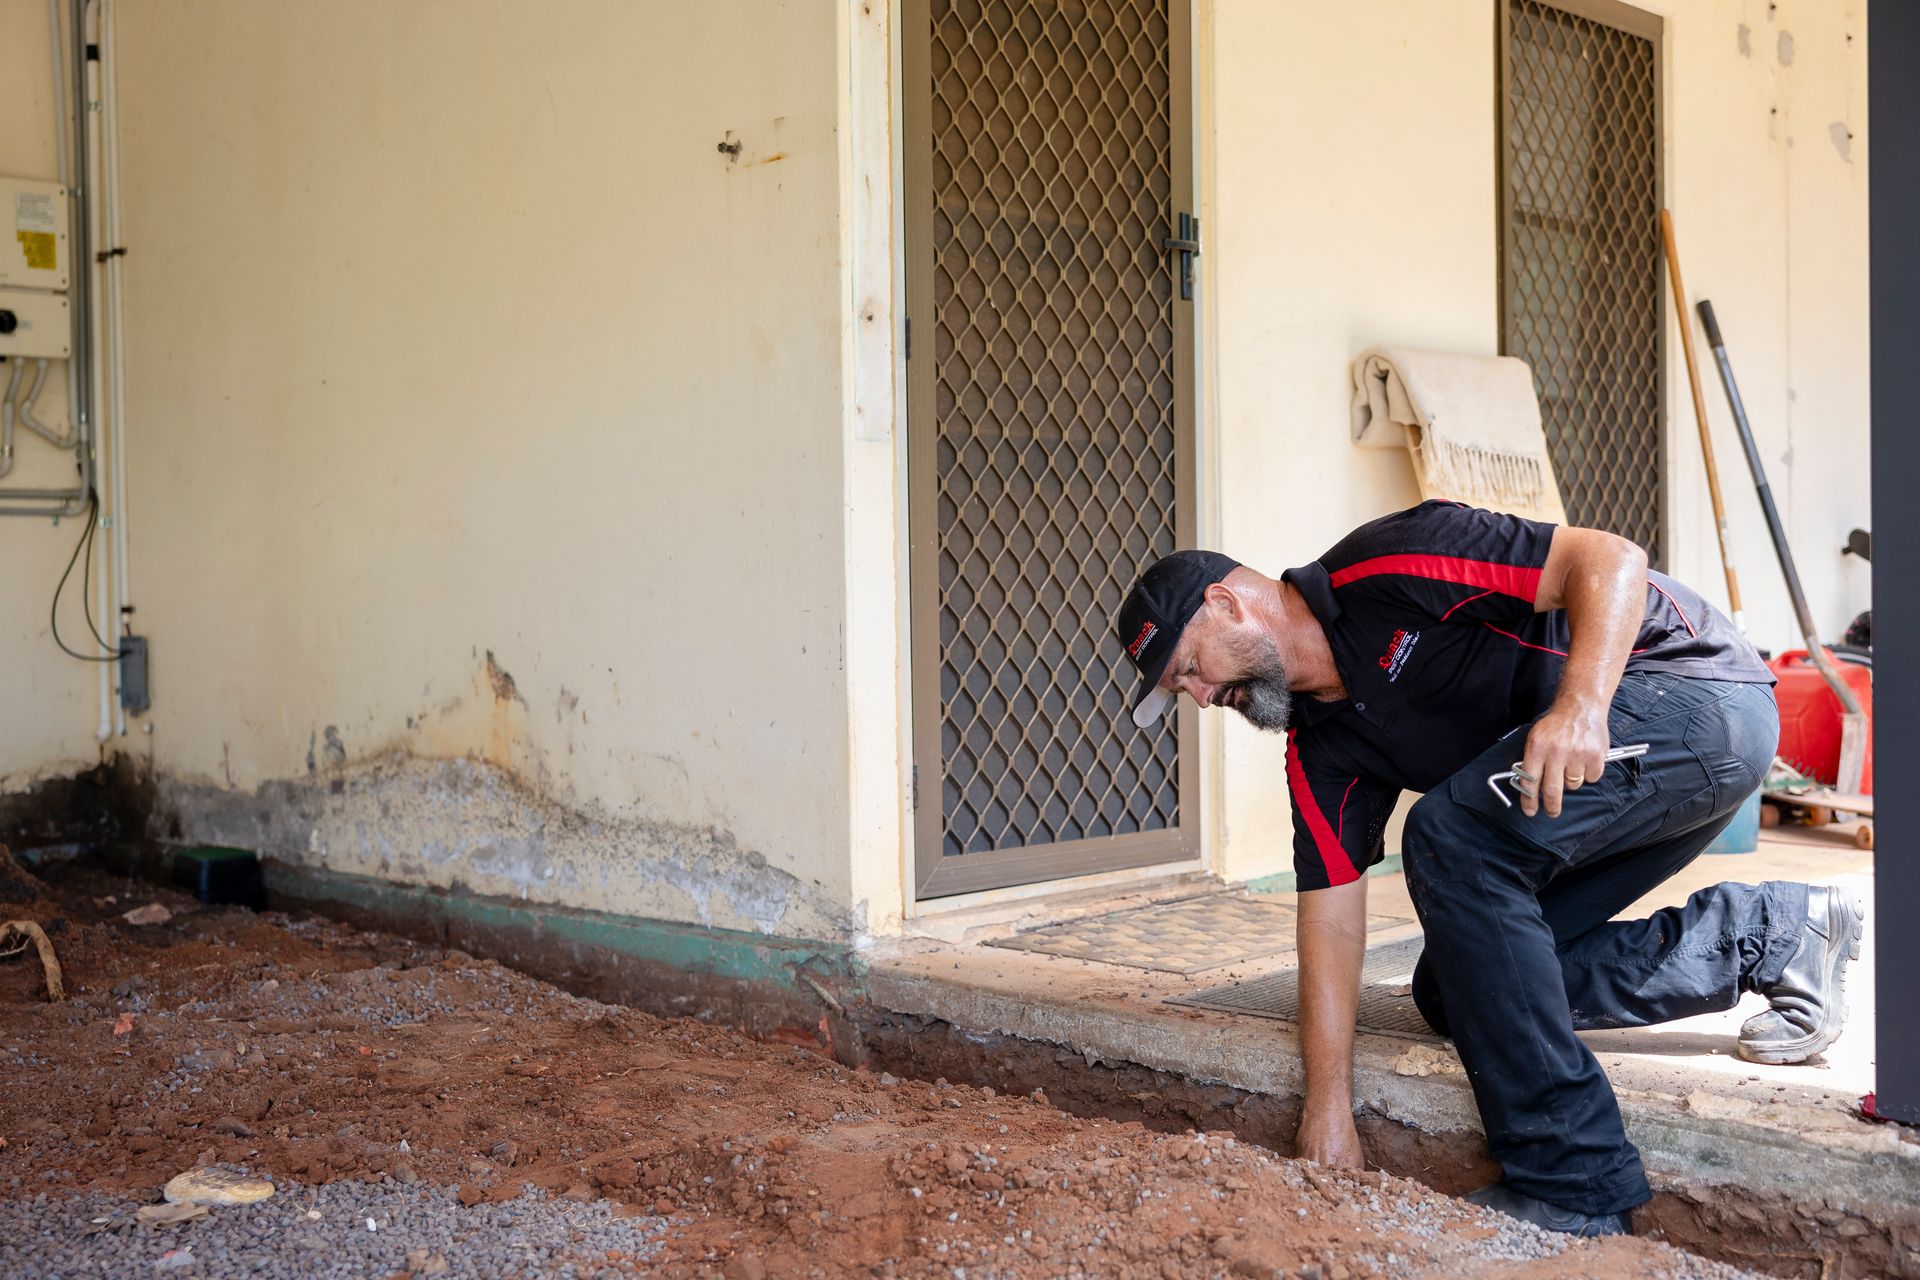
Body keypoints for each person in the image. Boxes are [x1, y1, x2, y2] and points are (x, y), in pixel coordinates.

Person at [1115, 500, 1865, 1237]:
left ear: (1226, 603)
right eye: (1184, 693)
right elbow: (1331, 923)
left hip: (1690, 693)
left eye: (1189, 670)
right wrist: (1327, 1112)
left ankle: (1572, 1178)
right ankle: (1774, 934)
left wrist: (1582, 705)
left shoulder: (1388, 563)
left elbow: (1609, 560)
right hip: (1616, 773)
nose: (1204, 698)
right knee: (1455, 986)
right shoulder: (1321, 747)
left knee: (1445, 834)